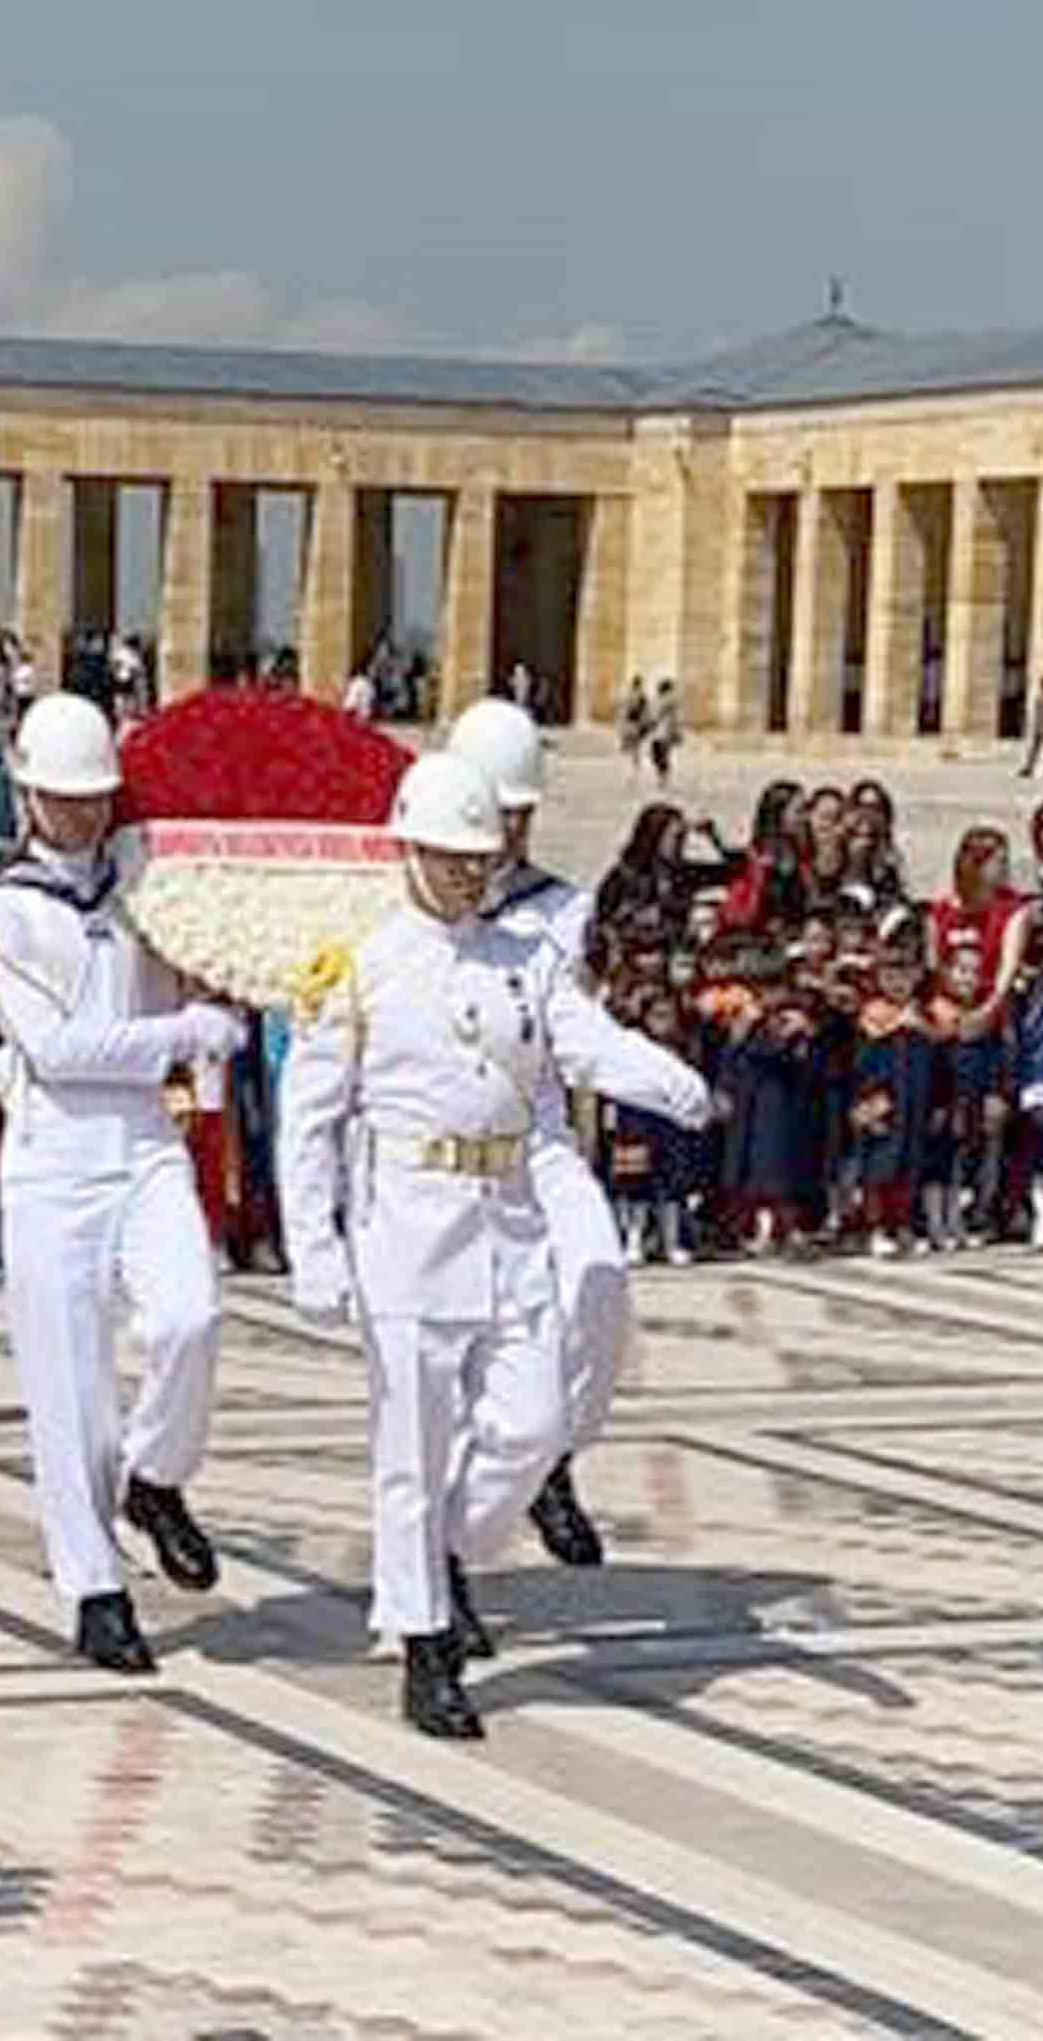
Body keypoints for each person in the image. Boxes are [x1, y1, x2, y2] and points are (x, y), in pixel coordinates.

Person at [275, 753, 711, 1739]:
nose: (471, 873)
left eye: (481, 857)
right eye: (451, 856)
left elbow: (585, 1042)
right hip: (407, 1223)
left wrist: (675, 1084)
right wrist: (316, 1249)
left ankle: (447, 1553)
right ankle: (426, 1645)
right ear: (409, 850)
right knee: (413, 1447)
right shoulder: (362, 962)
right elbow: (308, 1119)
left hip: (507, 1214)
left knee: (530, 1421)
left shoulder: (525, 956)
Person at [0, 692, 240, 1674]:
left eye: (95, 798)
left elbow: (196, 972)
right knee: (71, 1386)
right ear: (30, 795)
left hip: (144, 1137)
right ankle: (93, 1584)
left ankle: (156, 1477)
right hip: (54, 1154)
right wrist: (179, 1035)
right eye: (64, 797)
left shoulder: (146, 885)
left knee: (191, 1316)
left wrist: (217, 997)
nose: (82, 815)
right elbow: (56, 1046)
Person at [445, 698, 619, 1568]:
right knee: (459, 1361)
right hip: (441, 1147)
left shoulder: (562, 906)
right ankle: (450, 1562)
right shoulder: (415, 901)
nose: (509, 829)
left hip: (538, 1132)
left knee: (598, 1278)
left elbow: (576, 1020)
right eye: (496, 808)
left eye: (520, 812)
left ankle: (552, 1462)